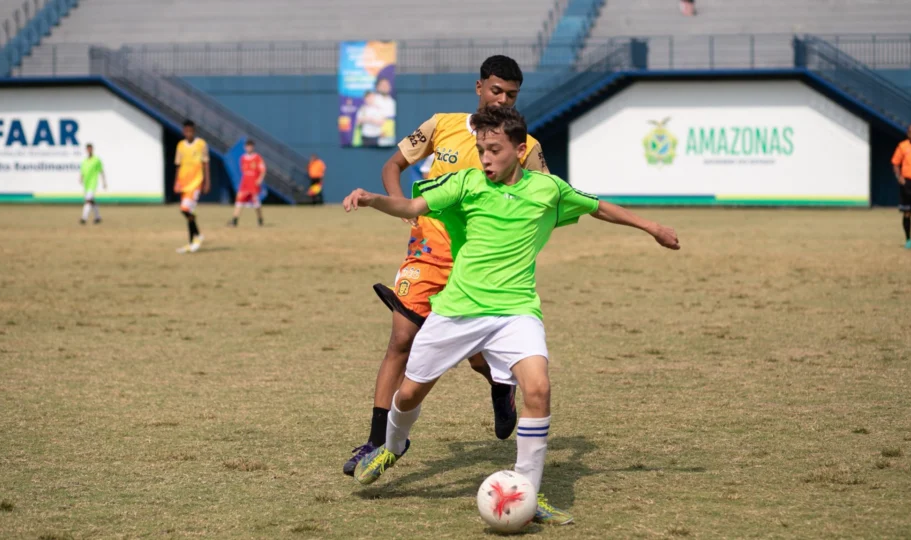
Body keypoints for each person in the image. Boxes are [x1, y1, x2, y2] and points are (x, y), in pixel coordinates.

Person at [344, 106, 680, 525]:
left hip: (516, 312)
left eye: (494, 150)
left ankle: (527, 492)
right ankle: (392, 446)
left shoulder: (547, 190)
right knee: (409, 395)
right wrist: (373, 199)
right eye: (482, 149)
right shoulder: (465, 183)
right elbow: (413, 207)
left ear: (520, 151)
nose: (484, 159)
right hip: (458, 310)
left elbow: (598, 208)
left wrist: (652, 227)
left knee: (538, 390)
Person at [342, 55, 549, 477]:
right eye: (496, 91)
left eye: (511, 94)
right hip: (428, 251)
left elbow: (544, 196)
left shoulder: (524, 145)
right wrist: (402, 207)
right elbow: (392, 164)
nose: (501, 99)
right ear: (478, 88)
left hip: (480, 263)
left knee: (475, 353)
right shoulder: (441, 124)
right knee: (401, 340)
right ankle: (377, 441)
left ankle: (498, 382)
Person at [174, 120, 210, 254]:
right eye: (186, 131)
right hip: (184, 183)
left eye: (191, 131)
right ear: (183, 131)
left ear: (194, 131)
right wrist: (176, 182)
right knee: (189, 212)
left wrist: (207, 182)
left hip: (196, 183)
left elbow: (206, 163)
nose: (188, 133)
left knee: (185, 209)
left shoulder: (201, 144)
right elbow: (178, 165)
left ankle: (194, 240)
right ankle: (196, 238)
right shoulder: (180, 146)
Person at [228, 139, 266, 227]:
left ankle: (260, 219)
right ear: (245, 147)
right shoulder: (243, 158)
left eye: (251, 146)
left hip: (253, 184)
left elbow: (263, 170)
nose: (249, 148)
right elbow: (243, 170)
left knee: (256, 204)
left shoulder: (257, 157)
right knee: (239, 202)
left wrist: (260, 179)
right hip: (244, 184)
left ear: (253, 147)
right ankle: (234, 220)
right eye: (248, 146)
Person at [78, 143, 106, 225]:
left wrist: (104, 182)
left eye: (90, 149)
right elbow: (83, 172)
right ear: (86, 150)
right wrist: (81, 178)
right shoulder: (85, 161)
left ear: (92, 149)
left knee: (88, 201)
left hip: (93, 183)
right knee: (92, 201)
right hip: (86, 184)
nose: (89, 150)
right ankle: (98, 217)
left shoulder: (96, 160)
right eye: (88, 149)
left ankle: (84, 218)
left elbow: (101, 171)